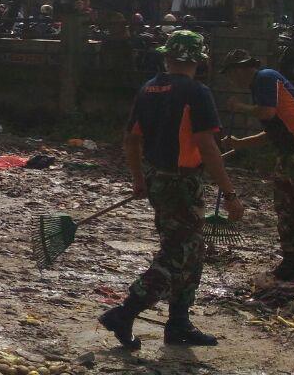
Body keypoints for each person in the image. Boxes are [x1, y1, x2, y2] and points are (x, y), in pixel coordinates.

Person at [98, 30, 243, 349]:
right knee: (177, 255)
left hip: (157, 181)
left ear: (167, 57)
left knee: (192, 253)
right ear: (199, 60)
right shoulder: (197, 92)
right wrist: (230, 194)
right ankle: (126, 311)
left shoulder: (148, 88)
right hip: (182, 184)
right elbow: (207, 146)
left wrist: (139, 179)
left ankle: (179, 323)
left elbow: (131, 140)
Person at [221, 49, 294, 281]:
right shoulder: (261, 85)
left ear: (242, 69)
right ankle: (292, 260)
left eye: (231, 73)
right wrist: (241, 143)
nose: (231, 80)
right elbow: (272, 130)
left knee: (291, 205)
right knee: (285, 206)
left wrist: (240, 107)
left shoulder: (265, 77)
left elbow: (267, 112)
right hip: (288, 153)